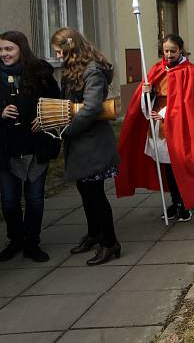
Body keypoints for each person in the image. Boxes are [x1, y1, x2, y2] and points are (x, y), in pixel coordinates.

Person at [116, 34, 194, 222]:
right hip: (158, 126)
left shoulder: (190, 71)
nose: (169, 54)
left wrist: (165, 113)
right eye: (166, 51)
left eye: (173, 51)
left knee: (178, 165)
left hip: (179, 125)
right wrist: (146, 93)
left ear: (181, 49)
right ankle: (175, 201)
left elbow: (187, 102)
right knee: (166, 166)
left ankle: (184, 203)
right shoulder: (158, 68)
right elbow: (149, 97)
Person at [50, 28, 121, 266]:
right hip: (82, 141)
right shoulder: (74, 69)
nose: (59, 57)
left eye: (60, 52)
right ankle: (94, 234)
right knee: (85, 190)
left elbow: (91, 107)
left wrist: (67, 129)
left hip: (92, 142)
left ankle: (110, 243)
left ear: (71, 49)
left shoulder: (92, 70)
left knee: (95, 195)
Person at [0, 31, 60, 262]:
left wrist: (44, 117)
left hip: (36, 146)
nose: (4, 54)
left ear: (21, 49)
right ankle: (15, 239)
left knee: (34, 197)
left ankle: (32, 242)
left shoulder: (40, 74)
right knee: (9, 199)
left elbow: (57, 102)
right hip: (6, 148)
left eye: (9, 49)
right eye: (1, 50)